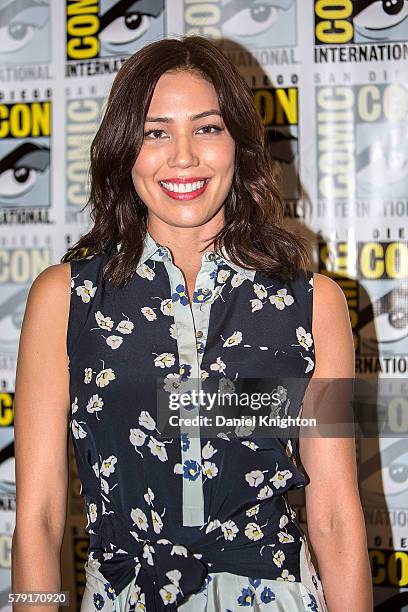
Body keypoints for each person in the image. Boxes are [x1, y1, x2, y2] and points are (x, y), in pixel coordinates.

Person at [12, 36, 373, 612]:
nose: (183, 157)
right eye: (156, 132)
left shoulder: (314, 304)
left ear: (240, 145)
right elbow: (39, 517)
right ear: (124, 149)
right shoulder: (65, 298)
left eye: (207, 128)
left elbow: (333, 512)